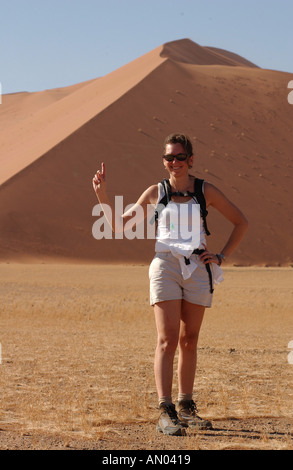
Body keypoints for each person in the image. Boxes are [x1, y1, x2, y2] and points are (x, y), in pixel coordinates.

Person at [92, 133, 248, 436]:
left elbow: (241, 221)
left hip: (198, 268)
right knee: (167, 339)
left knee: (190, 339)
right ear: (163, 161)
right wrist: (102, 195)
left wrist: (221, 256)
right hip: (165, 267)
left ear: (190, 159)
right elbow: (118, 225)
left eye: (179, 157)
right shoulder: (155, 192)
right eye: (168, 158)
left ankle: (186, 407)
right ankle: (165, 410)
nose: (174, 162)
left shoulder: (206, 190)